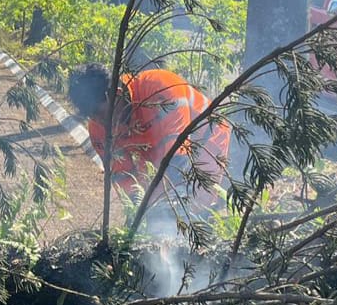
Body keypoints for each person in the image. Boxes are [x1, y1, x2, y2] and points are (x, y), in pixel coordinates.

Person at [68, 64, 230, 210]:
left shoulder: (160, 89)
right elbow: (122, 175)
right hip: (156, 149)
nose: (102, 122)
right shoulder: (98, 127)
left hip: (204, 139)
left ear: (116, 94)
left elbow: (178, 157)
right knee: (153, 208)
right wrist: (137, 211)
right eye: (93, 116)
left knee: (195, 207)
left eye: (102, 114)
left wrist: (172, 202)